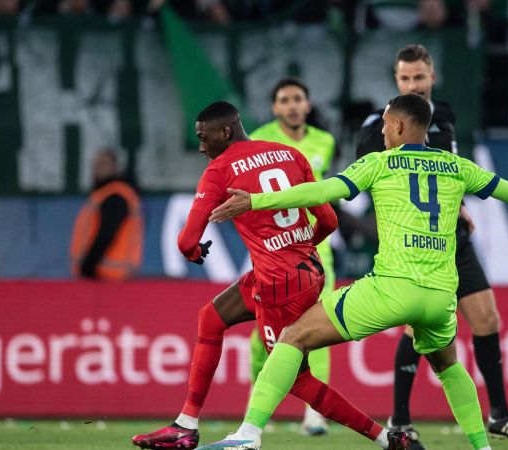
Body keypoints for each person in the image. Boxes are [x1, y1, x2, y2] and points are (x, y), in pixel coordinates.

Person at [201, 94, 508, 450]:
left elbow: (318, 193)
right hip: (441, 298)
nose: (383, 130)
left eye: (386, 123)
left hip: (391, 290)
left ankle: (248, 436)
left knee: (292, 338)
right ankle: (482, 448)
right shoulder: (457, 166)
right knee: (448, 365)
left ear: (402, 126)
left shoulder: (379, 164)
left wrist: (257, 200)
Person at [131, 101, 413, 450]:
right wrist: (298, 245)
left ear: (226, 131)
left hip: (279, 284)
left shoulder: (219, 170)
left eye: (204, 138)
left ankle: (386, 439)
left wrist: (194, 252)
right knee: (212, 317)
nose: (202, 146)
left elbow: (187, 240)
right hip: (307, 269)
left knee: (297, 379)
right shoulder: (289, 153)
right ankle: (185, 425)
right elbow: (329, 221)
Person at [356, 43, 508, 444]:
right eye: (405, 78)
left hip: (454, 235)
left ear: (432, 77)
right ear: (396, 80)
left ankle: (500, 415)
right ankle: (400, 420)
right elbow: (376, 182)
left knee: (487, 319)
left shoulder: (447, 117)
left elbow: (448, 174)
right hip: (417, 246)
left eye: (419, 77)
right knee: (415, 328)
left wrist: (461, 207)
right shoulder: (379, 126)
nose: (413, 84)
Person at [248, 77, 336, 436]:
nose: (292, 105)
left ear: (308, 104)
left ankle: (315, 414)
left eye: (298, 98)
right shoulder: (256, 139)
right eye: (285, 99)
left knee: (324, 326)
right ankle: (257, 407)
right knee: (261, 336)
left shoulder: (325, 141)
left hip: (316, 247)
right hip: (274, 251)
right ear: (275, 107)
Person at [69, 149, 143, 280]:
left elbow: (107, 233)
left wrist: (87, 266)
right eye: (95, 164)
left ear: (116, 167)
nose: (98, 168)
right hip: (109, 275)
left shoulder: (116, 195)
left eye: (103, 163)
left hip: (107, 275)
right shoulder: (104, 194)